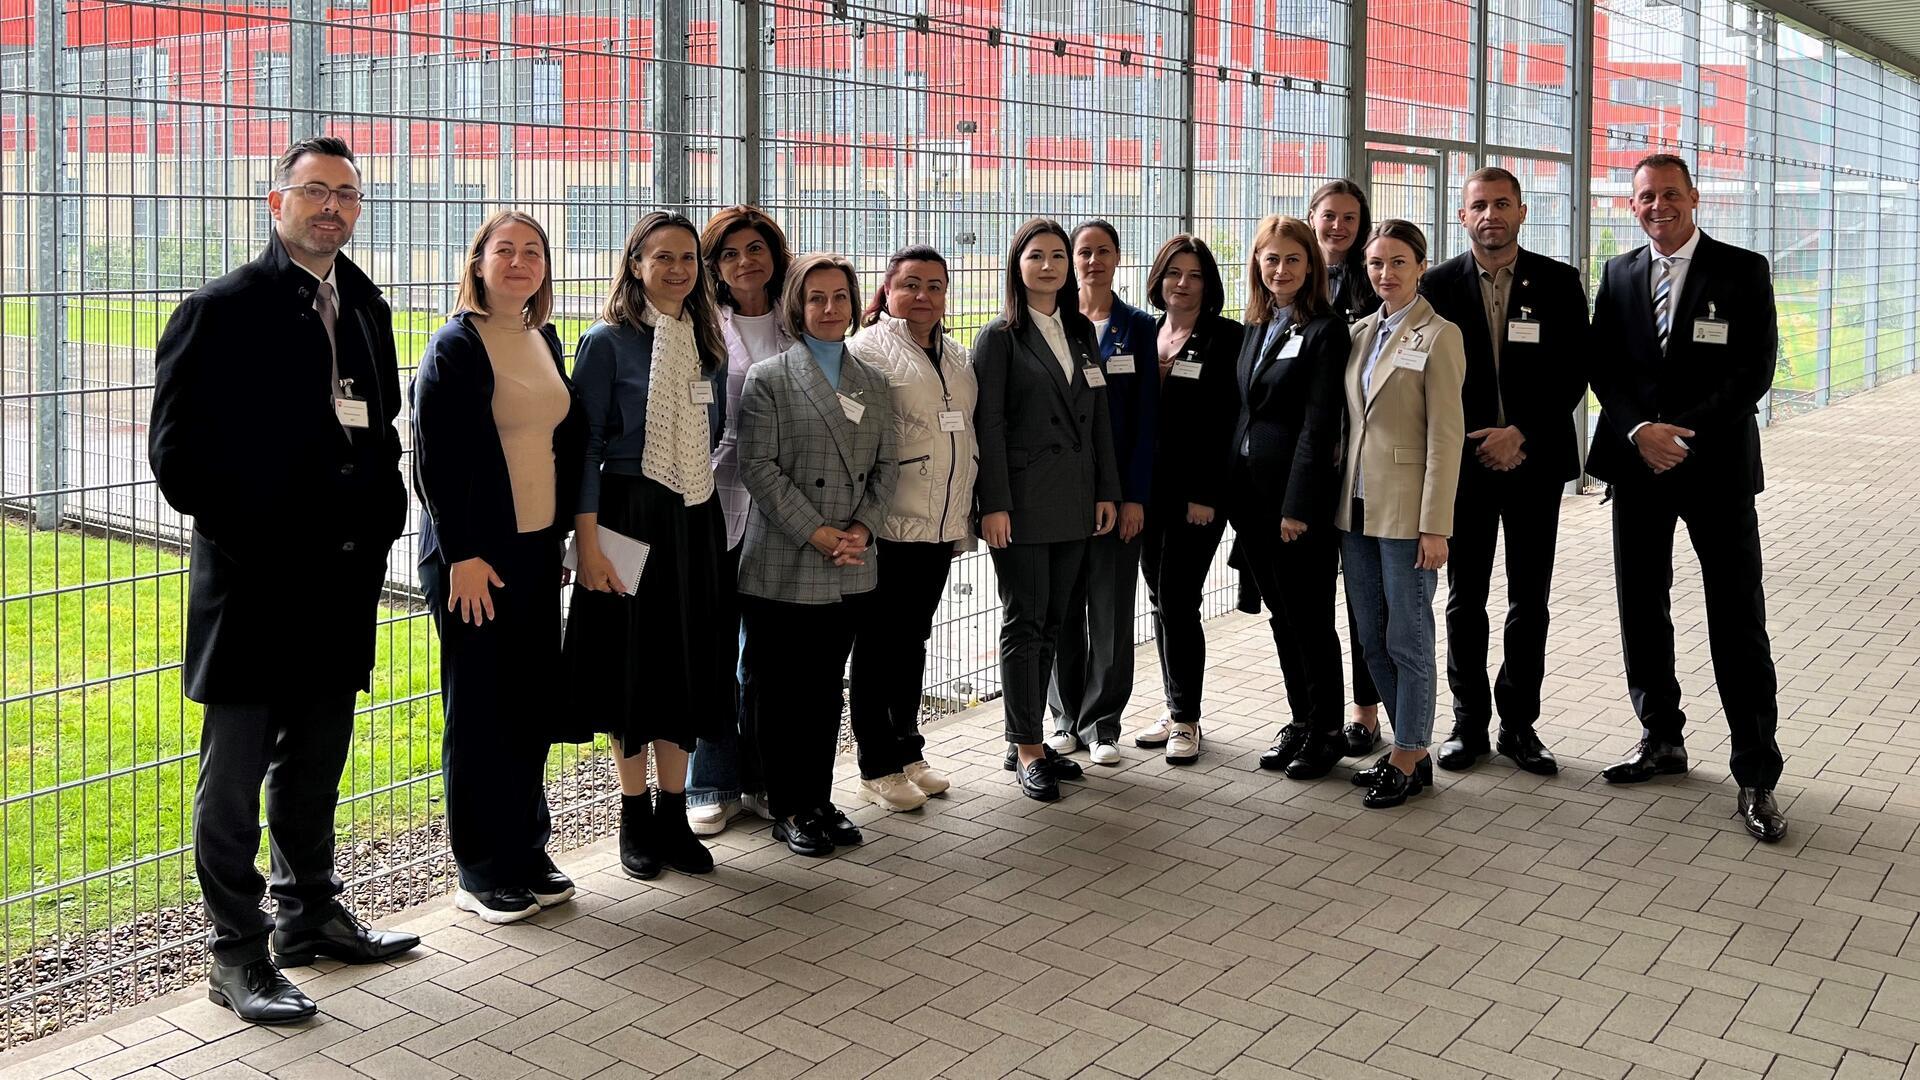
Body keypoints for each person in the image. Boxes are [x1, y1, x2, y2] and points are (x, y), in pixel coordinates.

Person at [149, 135, 419, 1024]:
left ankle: (310, 915)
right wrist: (262, 539)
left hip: (340, 590)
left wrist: (376, 532)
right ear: (277, 204)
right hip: (256, 590)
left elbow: (379, 433)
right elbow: (178, 458)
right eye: (314, 192)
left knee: (315, 765)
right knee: (231, 780)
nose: (331, 207)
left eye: (346, 194)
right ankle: (236, 954)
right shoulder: (222, 309)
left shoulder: (368, 307)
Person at [1588, 153, 1787, 843]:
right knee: (1641, 609)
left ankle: (1756, 774)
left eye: (1670, 194)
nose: (1658, 206)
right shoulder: (1616, 274)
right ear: (1632, 204)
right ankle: (1661, 740)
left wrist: (1684, 434)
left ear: (1694, 197)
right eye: (1646, 196)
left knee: (1737, 618)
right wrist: (1641, 430)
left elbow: (1753, 366)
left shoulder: (1742, 268)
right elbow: (1604, 366)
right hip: (1638, 465)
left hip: (1716, 466)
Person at [412, 211, 585, 923]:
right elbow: (434, 460)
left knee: (528, 707)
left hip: (536, 549)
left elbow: (559, 440)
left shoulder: (541, 337)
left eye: (532, 251)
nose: (519, 262)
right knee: (480, 711)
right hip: (475, 557)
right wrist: (464, 555)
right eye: (504, 250)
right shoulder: (456, 344)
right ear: (477, 262)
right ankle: (480, 867)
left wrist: (569, 537)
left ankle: (526, 846)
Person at [563, 211, 732, 881]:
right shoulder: (606, 344)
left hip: (693, 514)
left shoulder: (705, 344)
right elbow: (586, 449)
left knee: (683, 663)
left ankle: (673, 814)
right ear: (635, 264)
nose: (676, 268)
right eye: (661, 256)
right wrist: (588, 544)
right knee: (630, 668)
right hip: (627, 515)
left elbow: (712, 434)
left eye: (687, 257)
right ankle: (633, 815)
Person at [1418, 167, 1589, 777]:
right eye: (1478, 206)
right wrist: (1478, 441)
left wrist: (1522, 433)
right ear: (1462, 217)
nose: (1490, 215)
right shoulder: (1434, 286)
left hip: (1533, 463)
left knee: (1529, 598)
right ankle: (1468, 724)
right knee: (1465, 599)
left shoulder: (1558, 281)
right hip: (1464, 467)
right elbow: (1427, 379)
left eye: (1501, 204)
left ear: (1522, 211)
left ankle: (1519, 724)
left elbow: (1575, 370)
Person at [737, 253, 898, 856]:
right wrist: (818, 532)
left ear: (856, 304)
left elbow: (886, 468)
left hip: (851, 562)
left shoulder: (873, 381)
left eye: (840, 297)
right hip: (786, 560)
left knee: (828, 689)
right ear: (796, 307)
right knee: (783, 693)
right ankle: (788, 807)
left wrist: (862, 527)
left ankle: (820, 798)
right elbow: (758, 468)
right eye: (816, 299)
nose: (830, 309)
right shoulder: (770, 378)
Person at [975, 218, 1121, 801]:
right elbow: (988, 423)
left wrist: (1106, 489)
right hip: (1025, 504)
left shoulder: (1081, 329)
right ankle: (1028, 746)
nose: (1050, 265)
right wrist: (995, 505)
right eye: (1036, 256)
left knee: (1056, 625)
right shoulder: (1001, 337)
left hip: (1077, 498)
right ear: (1017, 266)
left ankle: (1030, 738)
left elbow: (1100, 417)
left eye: (1059, 256)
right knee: (1025, 624)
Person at [1335, 220, 1465, 809]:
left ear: (1421, 266)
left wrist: (1436, 525)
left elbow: (1446, 437)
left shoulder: (1440, 336)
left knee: (1407, 637)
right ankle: (1408, 749)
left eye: (1397, 263)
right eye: (1375, 265)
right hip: (1356, 509)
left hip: (1409, 514)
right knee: (1369, 636)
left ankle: (1410, 752)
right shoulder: (1361, 332)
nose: (1384, 274)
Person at [1225, 216, 1354, 780]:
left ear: (1312, 267)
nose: (1281, 269)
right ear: (1258, 263)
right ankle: (1301, 720)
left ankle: (1327, 730)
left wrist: (1298, 506)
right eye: (1271, 258)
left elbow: (1319, 424)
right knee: (1282, 615)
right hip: (1249, 497)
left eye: (1293, 260)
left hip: (1293, 502)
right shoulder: (1256, 325)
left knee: (1310, 617)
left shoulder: (1326, 330)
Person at [845, 246, 974, 810]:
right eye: (911, 285)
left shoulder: (955, 354)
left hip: (940, 523)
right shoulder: (867, 350)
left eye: (936, 286)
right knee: (878, 645)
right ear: (888, 289)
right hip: (887, 524)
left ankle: (907, 747)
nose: (923, 297)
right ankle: (876, 762)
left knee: (912, 641)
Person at [684, 206, 794, 837]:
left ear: (774, 256)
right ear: (715, 267)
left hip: (784, 513)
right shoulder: (703, 327)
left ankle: (759, 780)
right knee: (716, 648)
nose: (745, 262)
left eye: (756, 249)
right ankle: (712, 780)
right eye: (729, 254)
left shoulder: (796, 321)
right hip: (718, 504)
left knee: (769, 656)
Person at [1047, 220, 1159, 765]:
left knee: (1111, 610)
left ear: (1118, 259)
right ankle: (1064, 719)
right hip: (1064, 494)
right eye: (1083, 252)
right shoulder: (1057, 325)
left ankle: (1103, 723)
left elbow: (1145, 420)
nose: (1093, 261)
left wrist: (1135, 495)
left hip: (1120, 494)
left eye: (1103, 252)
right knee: (1063, 609)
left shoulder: (1137, 327)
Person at [1131, 234, 1241, 765]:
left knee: (1178, 598)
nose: (1183, 283)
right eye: (1174, 272)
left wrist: (1206, 493)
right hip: (1147, 494)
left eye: (1195, 275)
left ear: (1208, 284)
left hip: (1196, 497)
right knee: (1160, 599)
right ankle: (1175, 706)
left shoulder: (1227, 339)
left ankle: (1186, 717)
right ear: (1159, 278)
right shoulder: (1143, 334)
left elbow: (1229, 425)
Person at [1308, 179, 1387, 754]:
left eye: (1350, 219)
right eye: (1329, 216)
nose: (1339, 227)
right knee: (1310, 598)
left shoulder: (1374, 286)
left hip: (1362, 467)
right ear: (1312, 218)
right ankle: (1317, 712)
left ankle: (1366, 710)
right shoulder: (1288, 281)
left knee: (1365, 597)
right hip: (1307, 468)